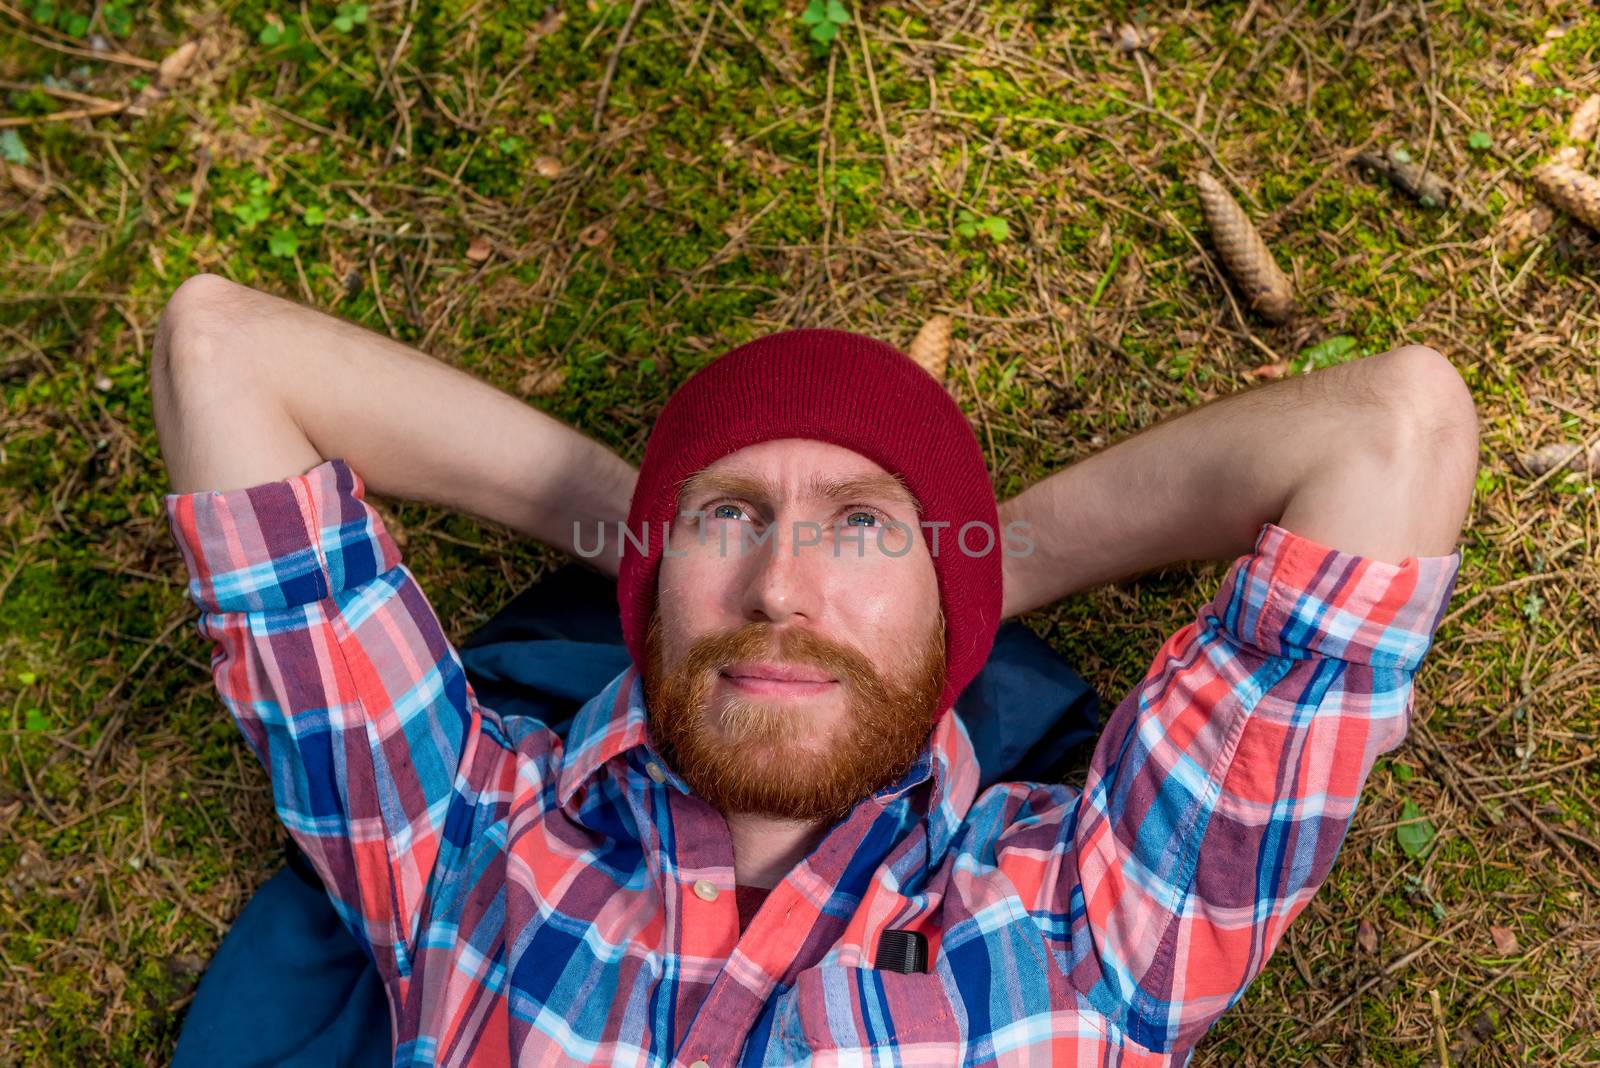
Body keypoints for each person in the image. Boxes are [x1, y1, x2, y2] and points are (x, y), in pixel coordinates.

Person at [151, 273, 1476, 1066]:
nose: (780, 590)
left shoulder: (1104, 920)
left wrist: (991, 569)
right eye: (727, 520)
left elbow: (1392, 428)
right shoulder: (457, 837)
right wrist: (635, 529)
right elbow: (222, 348)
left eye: (863, 527)